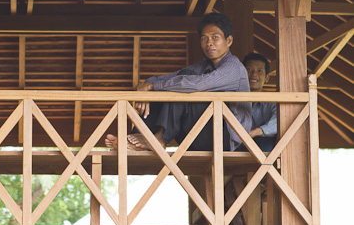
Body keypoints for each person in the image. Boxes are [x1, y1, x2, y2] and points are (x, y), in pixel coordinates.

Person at [105, 13, 252, 152]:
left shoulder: (234, 68)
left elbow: (196, 84)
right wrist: (145, 87)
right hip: (198, 134)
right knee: (172, 85)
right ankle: (137, 138)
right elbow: (165, 79)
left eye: (215, 37)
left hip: (224, 140)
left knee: (182, 85)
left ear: (229, 41)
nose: (209, 43)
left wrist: (152, 86)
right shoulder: (201, 66)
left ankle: (158, 140)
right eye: (204, 38)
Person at [240, 52, 277, 152]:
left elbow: (279, 122)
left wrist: (256, 132)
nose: (254, 74)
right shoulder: (232, 98)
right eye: (249, 69)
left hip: (262, 143)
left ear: (267, 78)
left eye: (259, 71)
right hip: (237, 141)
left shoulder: (272, 101)